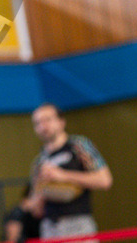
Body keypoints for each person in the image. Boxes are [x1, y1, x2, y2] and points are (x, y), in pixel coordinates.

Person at [28, 103, 112, 241]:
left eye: (47, 120)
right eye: (37, 123)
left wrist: (63, 175)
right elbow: (36, 210)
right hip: (50, 228)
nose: (43, 126)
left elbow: (105, 180)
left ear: (61, 122)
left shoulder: (79, 145)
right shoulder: (38, 163)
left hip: (78, 224)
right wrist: (41, 191)